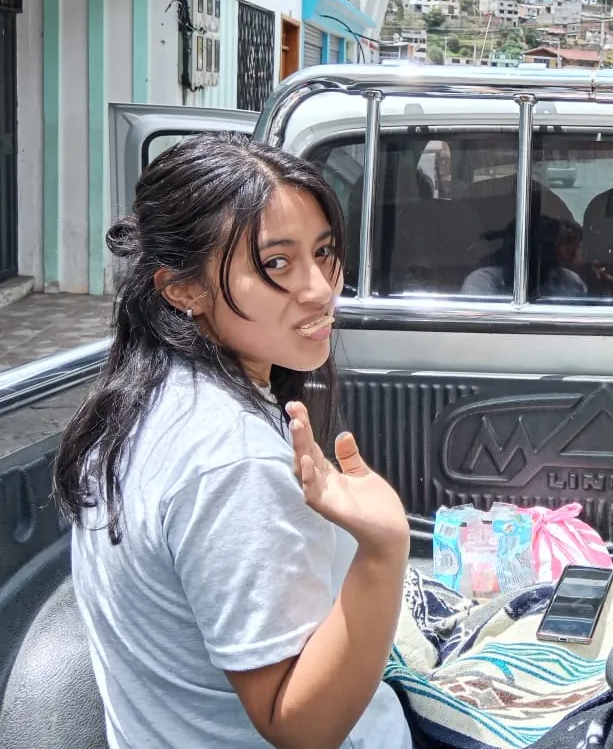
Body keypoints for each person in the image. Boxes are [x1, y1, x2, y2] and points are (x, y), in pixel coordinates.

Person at [55, 133, 413, 747]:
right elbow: (298, 725)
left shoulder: (149, 396)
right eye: (276, 263)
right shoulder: (233, 458)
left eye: (324, 253)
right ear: (183, 289)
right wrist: (384, 552)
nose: (321, 288)